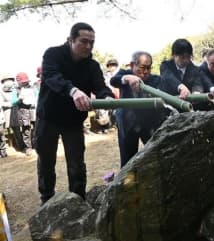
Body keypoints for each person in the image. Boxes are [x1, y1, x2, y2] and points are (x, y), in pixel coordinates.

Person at [34, 22, 114, 205]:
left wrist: (107, 97)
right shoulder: (52, 54)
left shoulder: (92, 65)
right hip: (48, 117)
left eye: (91, 43)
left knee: (77, 163)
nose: (88, 46)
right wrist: (73, 90)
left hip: (73, 121)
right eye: (83, 41)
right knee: (46, 161)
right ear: (70, 40)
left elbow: (100, 87)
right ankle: (46, 201)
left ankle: (78, 200)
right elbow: (52, 76)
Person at [111, 51, 168, 167]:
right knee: (128, 159)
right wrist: (128, 78)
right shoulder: (124, 73)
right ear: (132, 65)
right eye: (142, 68)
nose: (146, 71)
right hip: (128, 124)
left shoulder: (155, 79)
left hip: (149, 124)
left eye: (149, 68)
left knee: (156, 154)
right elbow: (114, 80)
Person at [160, 38, 214, 110]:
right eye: (182, 57)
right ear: (173, 55)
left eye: (188, 57)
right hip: (170, 107)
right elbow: (168, 77)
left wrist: (196, 95)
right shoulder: (165, 66)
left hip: (189, 108)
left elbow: (197, 84)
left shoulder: (195, 69)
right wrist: (181, 87)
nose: (186, 60)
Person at [14, 72, 37, 156]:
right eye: (22, 82)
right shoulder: (16, 89)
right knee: (26, 129)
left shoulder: (32, 88)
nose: (24, 83)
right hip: (23, 111)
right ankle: (28, 147)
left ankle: (36, 144)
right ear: (18, 82)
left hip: (32, 109)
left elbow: (37, 96)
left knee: (36, 127)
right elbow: (13, 102)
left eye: (25, 82)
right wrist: (19, 100)